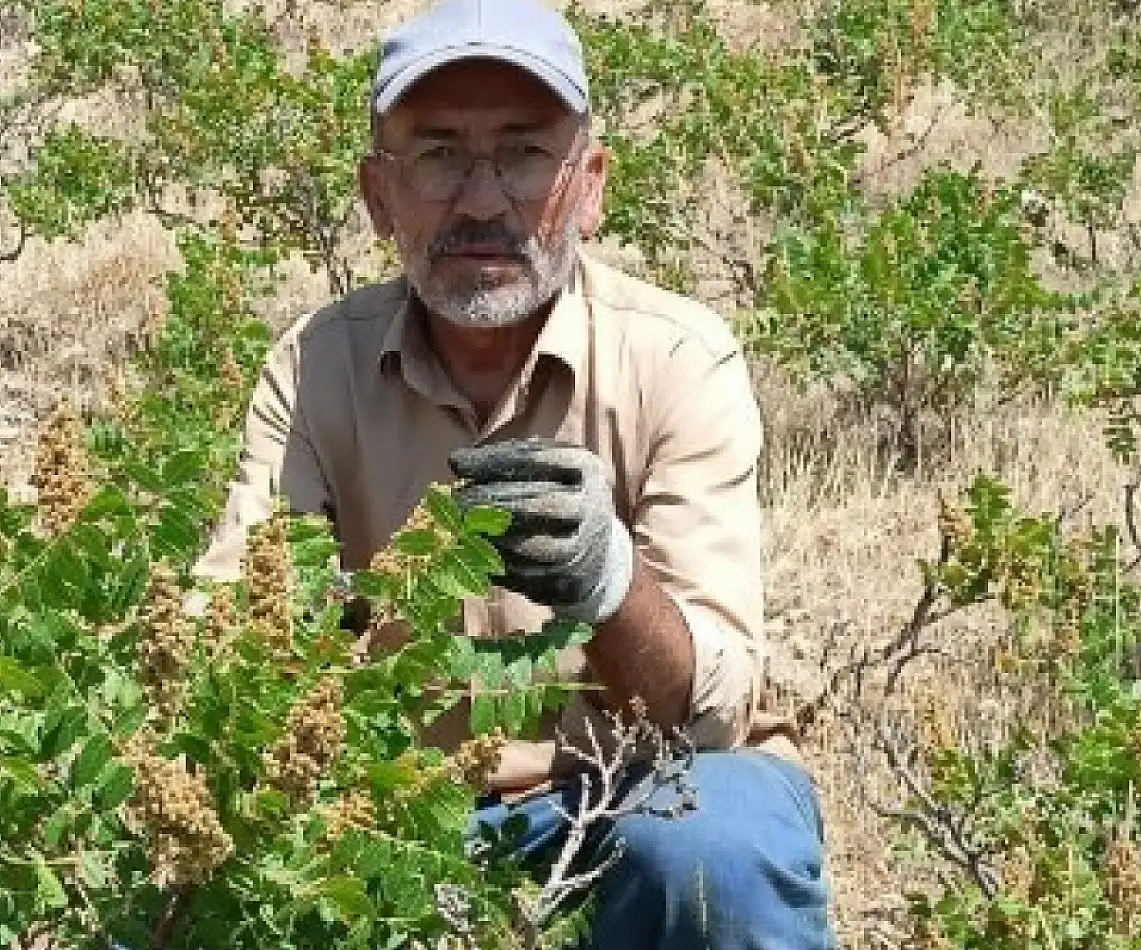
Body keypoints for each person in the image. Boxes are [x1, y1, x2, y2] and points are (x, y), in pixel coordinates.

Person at [192, 0, 835, 946]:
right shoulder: (316, 366)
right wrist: (283, 635)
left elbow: (710, 714)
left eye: (526, 154)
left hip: (636, 797)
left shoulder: (677, 359)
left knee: (718, 853)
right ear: (380, 196)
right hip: (396, 821)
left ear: (589, 185)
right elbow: (226, 639)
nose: (484, 201)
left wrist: (609, 582)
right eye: (441, 155)